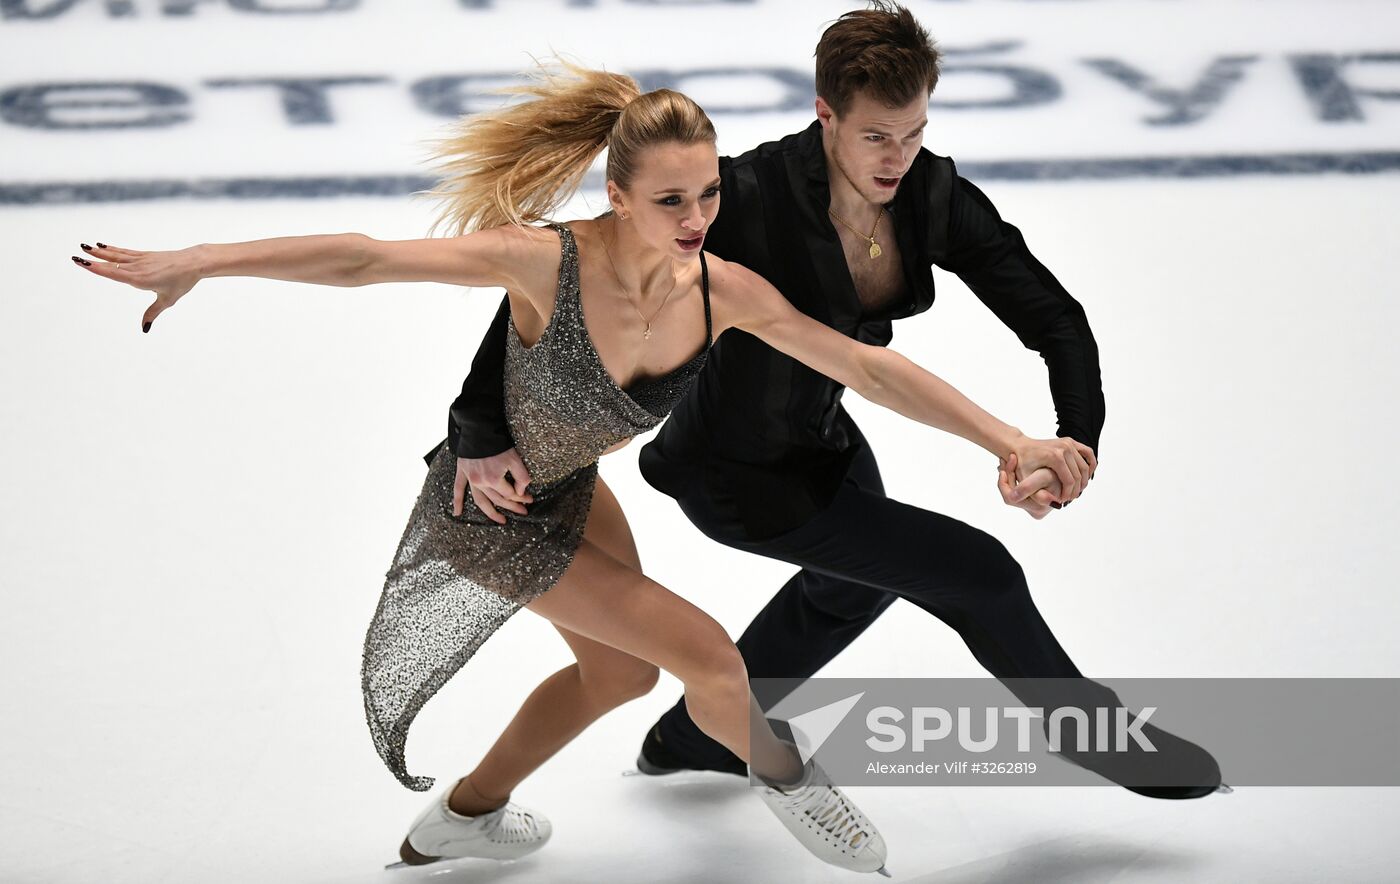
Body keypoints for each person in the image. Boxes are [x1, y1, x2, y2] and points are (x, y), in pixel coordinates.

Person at [70, 61, 1096, 875]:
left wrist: (1008, 439)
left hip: (570, 488)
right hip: (485, 508)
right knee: (709, 659)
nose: (692, 220)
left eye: (704, 196)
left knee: (621, 671)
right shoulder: (544, 260)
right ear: (615, 193)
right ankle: (790, 779)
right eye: (666, 201)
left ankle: (461, 819)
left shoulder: (718, 286)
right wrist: (202, 256)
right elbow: (363, 255)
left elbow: (867, 368)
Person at [441, 2, 1228, 800]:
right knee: (980, 574)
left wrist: (1073, 440)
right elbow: (561, 286)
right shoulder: (741, 195)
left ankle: (692, 736)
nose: (898, 158)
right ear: (827, 115)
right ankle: (1096, 737)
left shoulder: (933, 198)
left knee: (852, 584)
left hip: (827, 441)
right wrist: (478, 427)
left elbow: (1056, 320)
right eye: (876, 136)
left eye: (915, 132)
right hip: (737, 474)